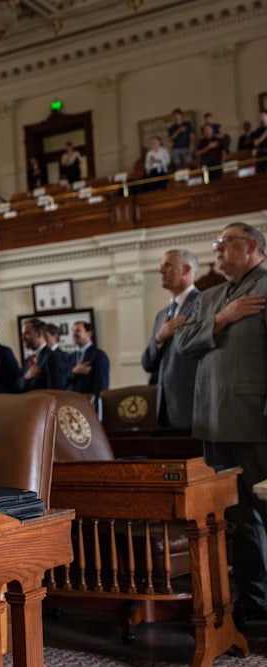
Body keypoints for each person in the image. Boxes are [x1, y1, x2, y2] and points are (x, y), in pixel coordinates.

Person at [176, 222, 267, 623]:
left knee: (264, 514)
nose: (216, 249)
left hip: (254, 419)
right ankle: (255, 602)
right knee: (235, 517)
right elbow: (183, 344)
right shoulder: (211, 295)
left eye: (224, 243)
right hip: (212, 420)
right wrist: (222, 318)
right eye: (215, 243)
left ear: (252, 245)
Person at [141, 249, 200, 431]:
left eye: (168, 265)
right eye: (161, 266)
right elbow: (147, 363)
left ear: (186, 269)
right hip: (163, 409)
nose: (161, 271)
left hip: (194, 406)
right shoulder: (162, 315)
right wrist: (159, 337)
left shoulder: (204, 303)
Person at [65, 321, 109, 407]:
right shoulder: (72, 357)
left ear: (89, 334)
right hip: (72, 404)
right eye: (73, 331)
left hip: (90, 405)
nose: (74, 334)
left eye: (78, 330)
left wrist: (96, 402)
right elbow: (64, 380)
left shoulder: (98, 355)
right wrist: (73, 372)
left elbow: (102, 385)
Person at [17, 318, 65, 392]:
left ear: (39, 333)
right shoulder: (27, 360)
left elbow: (57, 390)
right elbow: (17, 387)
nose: (22, 338)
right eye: (22, 334)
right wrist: (26, 378)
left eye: (27, 333)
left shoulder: (52, 357)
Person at [252, 109, 267, 174]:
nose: (261, 117)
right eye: (260, 116)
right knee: (260, 174)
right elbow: (255, 143)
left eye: (263, 115)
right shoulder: (258, 130)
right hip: (262, 153)